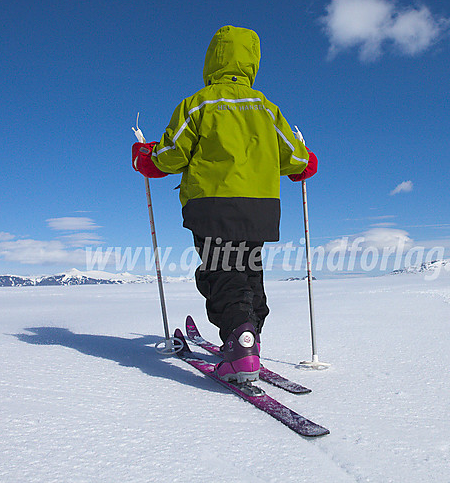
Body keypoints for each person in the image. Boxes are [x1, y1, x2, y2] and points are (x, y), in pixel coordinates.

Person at [131, 25, 317, 383]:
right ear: (252, 62)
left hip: (213, 204)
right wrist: (306, 163)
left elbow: (170, 156)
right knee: (248, 272)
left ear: (212, 59)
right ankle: (248, 335)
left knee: (222, 271)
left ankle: (240, 344)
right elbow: (294, 157)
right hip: (259, 208)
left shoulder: (199, 104)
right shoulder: (266, 108)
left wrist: (144, 157)